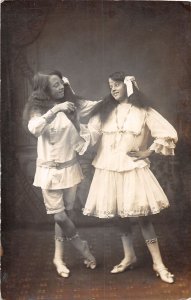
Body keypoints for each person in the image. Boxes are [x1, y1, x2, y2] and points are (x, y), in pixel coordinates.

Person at [82, 71, 178, 283]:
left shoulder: (143, 111)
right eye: (110, 86)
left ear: (128, 86)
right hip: (108, 170)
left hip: (132, 169)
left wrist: (148, 151)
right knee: (120, 216)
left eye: (117, 85)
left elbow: (167, 132)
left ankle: (158, 263)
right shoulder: (103, 111)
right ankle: (129, 256)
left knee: (143, 217)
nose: (113, 89)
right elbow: (90, 136)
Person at [23, 71, 98, 278]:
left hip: (70, 169)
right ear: (46, 89)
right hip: (48, 171)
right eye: (55, 85)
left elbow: (95, 105)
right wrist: (56, 109)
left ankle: (58, 258)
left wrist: (115, 98)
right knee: (59, 215)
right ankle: (82, 246)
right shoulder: (38, 109)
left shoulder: (71, 105)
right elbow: (34, 129)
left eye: (61, 84)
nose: (60, 88)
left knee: (65, 216)